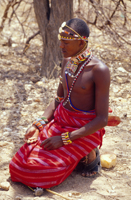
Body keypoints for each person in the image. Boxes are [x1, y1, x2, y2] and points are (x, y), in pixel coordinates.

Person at [9, 18, 112, 189]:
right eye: (60, 42)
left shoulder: (99, 70)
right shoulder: (67, 61)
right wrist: (39, 124)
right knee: (18, 166)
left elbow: (102, 119)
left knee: (44, 175)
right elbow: (58, 99)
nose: (61, 46)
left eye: (65, 43)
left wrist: (64, 140)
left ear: (81, 42)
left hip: (85, 128)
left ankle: (91, 152)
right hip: (60, 123)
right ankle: (76, 155)